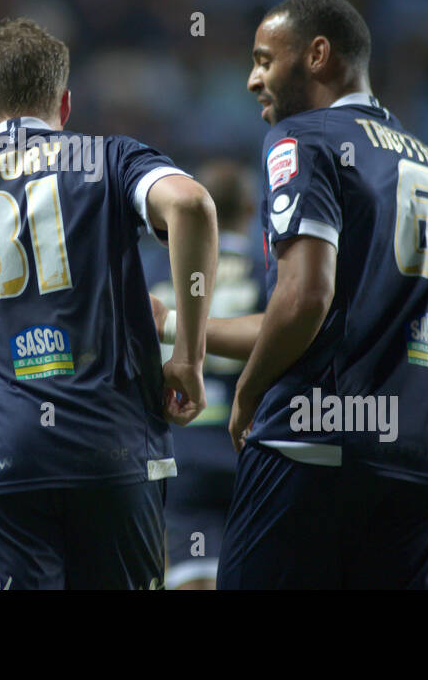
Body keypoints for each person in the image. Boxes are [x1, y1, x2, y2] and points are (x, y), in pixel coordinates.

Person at [0, 17, 218, 590]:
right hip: (114, 452)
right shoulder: (108, 159)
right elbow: (192, 206)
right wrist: (189, 356)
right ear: (65, 102)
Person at [186, 0, 428, 589]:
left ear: (316, 55)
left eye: (264, 59)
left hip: (317, 444)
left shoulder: (301, 138)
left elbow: (304, 298)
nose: (252, 79)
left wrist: (250, 393)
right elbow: (330, 313)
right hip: (426, 452)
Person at [149, 161, 267, 589]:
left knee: (191, 576)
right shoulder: (268, 271)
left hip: (184, 447)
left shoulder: (158, 273)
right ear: (252, 208)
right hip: (251, 445)